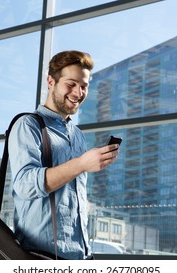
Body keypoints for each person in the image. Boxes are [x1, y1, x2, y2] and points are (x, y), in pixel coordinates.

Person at [8, 50, 120, 260]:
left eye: (84, 86)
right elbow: (24, 184)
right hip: (39, 256)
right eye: (71, 84)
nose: (78, 93)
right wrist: (81, 164)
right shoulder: (28, 125)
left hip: (80, 255)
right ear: (51, 81)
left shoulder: (77, 135)